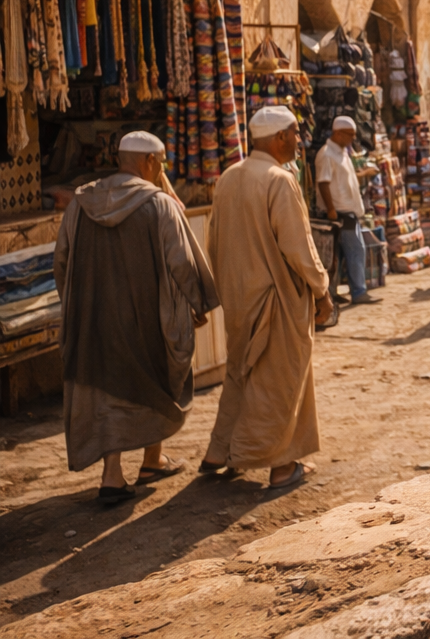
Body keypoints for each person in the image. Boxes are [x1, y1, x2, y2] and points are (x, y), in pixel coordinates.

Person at [55, 131, 219, 504]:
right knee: (156, 382)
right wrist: (199, 303)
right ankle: (148, 460)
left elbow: (62, 261)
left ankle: (123, 471)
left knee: (107, 392)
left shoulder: (81, 203)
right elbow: (182, 262)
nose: (161, 171)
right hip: (147, 316)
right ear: (149, 163)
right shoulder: (160, 205)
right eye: (160, 164)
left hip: (94, 318)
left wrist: (76, 305)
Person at [203, 106, 333, 490]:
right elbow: (299, 247)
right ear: (279, 138)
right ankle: (279, 463)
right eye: (294, 133)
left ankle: (220, 450)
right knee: (280, 383)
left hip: (240, 298)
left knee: (241, 374)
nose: (298, 139)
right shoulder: (279, 180)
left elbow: (214, 240)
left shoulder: (229, 177)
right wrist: (322, 289)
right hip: (277, 298)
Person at [314, 115, 375, 305]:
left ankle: (333, 292)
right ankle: (358, 291)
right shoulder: (326, 154)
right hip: (339, 211)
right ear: (338, 133)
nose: (352, 139)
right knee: (355, 250)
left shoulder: (342, 153)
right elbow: (323, 183)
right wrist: (331, 209)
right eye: (349, 135)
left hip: (347, 210)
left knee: (338, 255)